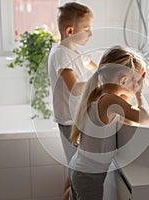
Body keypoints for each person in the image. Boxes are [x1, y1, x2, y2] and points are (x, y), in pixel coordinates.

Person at [68, 46, 149, 200]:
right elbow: (145, 117)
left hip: (81, 168)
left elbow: (129, 122)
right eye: (137, 80)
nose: (138, 84)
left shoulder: (100, 95)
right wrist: (139, 93)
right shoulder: (109, 101)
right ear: (123, 80)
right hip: (89, 176)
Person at [47, 2, 97, 200]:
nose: (90, 34)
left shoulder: (74, 50)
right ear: (70, 31)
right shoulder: (61, 54)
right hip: (69, 123)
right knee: (79, 173)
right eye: (87, 29)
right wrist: (98, 82)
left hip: (77, 120)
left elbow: (95, 66)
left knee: (74, 168)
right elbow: (75, 88)